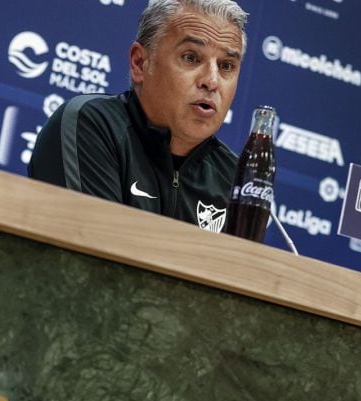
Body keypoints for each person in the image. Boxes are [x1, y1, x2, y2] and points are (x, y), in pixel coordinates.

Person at [28, 0, 247, 233]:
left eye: (226, 66)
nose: (212, 81)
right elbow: (94, 255)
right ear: (140, 63)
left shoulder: (234, 178)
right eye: (191, 57)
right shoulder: (92, 125)